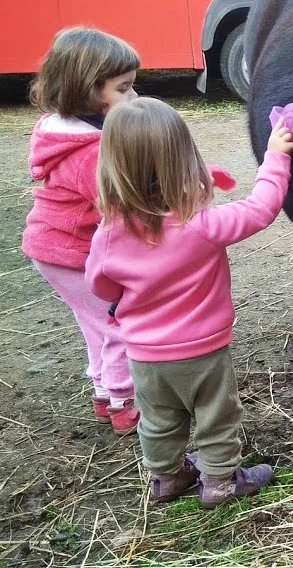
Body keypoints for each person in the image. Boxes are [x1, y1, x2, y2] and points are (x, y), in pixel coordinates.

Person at [85, 97, 293, 506]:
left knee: (159, 420)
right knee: (217, 416)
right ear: (184, 161)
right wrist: (275, 156)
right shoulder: (202, 226)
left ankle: (167, 478)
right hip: (203, 352)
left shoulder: (108, 234)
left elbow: (102, 288)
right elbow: (261, 208)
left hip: (144, 355)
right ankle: (219, 482)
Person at [22, 28, 140, 434]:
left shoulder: (59, 130)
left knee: (95, 323)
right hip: (72, 252)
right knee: (121, 322)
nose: (133, 97)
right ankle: (125, 403)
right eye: (123, 89)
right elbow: (121, 208)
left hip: (52, 248)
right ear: (88, 90)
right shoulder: (91, 152)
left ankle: (103, 394)